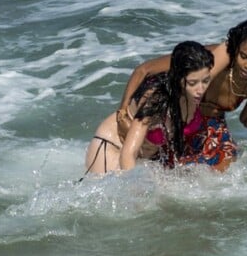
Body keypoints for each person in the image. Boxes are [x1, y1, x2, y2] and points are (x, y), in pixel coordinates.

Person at [117, 19, 247, 171]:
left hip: (210, 123)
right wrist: (123, 111)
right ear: (236, 50)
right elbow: (144, 70)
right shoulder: (209, 59)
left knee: (227, 165)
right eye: (244, 56)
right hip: (180, 116)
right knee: (153, 163)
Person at [84, 41, 214, 174]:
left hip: (143, 158)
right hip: (112, 148)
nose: (201, 89)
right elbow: (128, 154)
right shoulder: (156, 99)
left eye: (206, 81)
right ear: (177, 77)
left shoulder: (194, 93)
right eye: (193, 83)